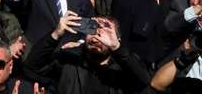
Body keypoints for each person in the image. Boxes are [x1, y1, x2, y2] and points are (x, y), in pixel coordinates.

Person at [22, 13, 150, 94]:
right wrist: (56, 34)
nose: (96, 36)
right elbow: (32, 67)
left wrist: (116, 47)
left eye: (104, 32)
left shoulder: (124, 65)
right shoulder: (69, 59)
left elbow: (143, 82)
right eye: (92, 29)